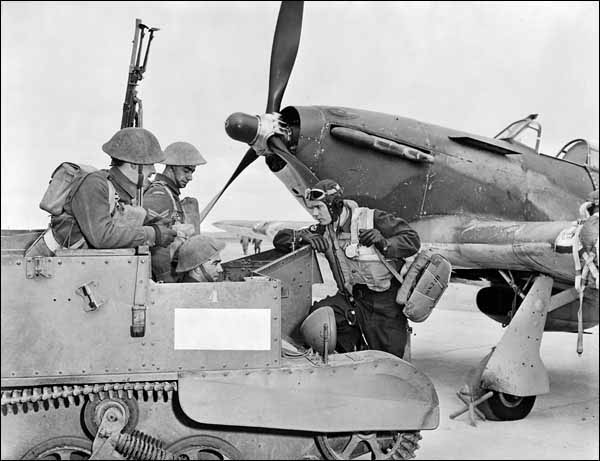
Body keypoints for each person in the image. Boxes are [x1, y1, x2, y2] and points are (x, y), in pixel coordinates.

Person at [273, 179, 420, 359]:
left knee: (388, 358)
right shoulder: (323, 229)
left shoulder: (372, 219)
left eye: (319, 207)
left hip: (384, 301)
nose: (315, 213)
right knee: (320, 318)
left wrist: (384, 243)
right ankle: (349, 355)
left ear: (335, 205)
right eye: (313, 208)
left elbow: (412, 240)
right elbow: (281, 238)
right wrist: (303, 237)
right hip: (352, 299)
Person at [29, 127, 177, 255]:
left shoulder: (117, 189)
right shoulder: (95, 184)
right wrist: (153, 233)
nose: (153, 170)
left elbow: (120, 217)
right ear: (132, 165)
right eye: (149, 164)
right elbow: (101, 236)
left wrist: (154, 223)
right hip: (50, 264)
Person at [143, 141, 206, 282]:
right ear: (171, 168)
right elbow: (156, 247)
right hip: (163, 277)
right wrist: (166, 279)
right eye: (186, 170)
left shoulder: (171, 195)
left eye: (192, 171)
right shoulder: (160, 195)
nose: (190, 177)